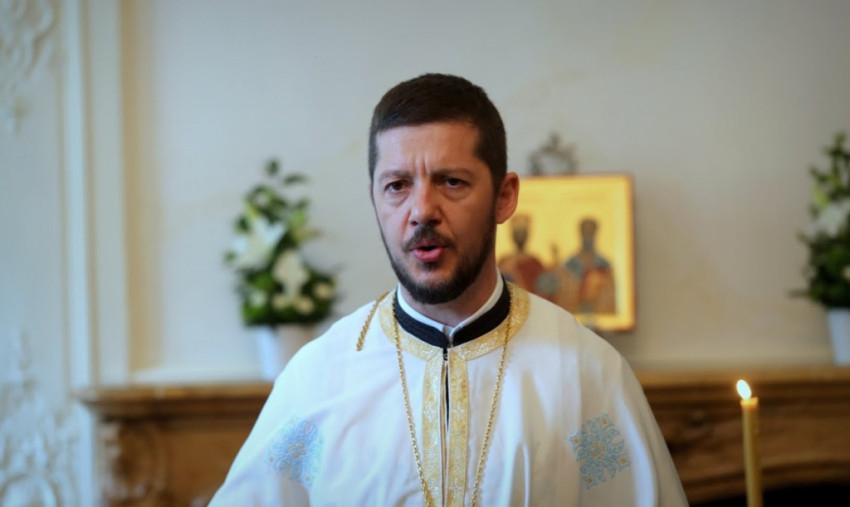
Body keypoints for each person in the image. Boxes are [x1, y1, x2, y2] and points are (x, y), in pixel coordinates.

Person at [210, 73, 687, 506]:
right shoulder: (319, 376)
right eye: (397, 185)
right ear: (374, 197)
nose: (422, 211)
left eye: (452, 182)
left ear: (504, 197)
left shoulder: (584, 373)